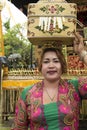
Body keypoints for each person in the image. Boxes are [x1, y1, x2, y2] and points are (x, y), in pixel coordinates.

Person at [11, 32, 87, 130]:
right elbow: (18, 127)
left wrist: (82, 53)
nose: (51, 66)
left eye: (56, 61)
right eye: (46, 62)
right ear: (40, 66)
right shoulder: (28, 93)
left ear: (62, 65)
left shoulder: (75, 87)